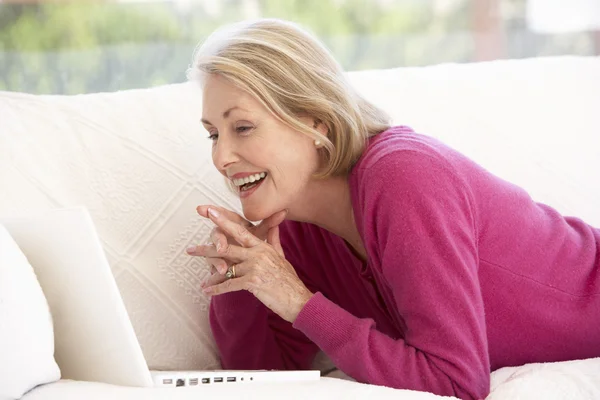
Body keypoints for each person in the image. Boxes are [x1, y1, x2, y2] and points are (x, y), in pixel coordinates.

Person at [184, 18, 600, 399]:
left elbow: (455, 381)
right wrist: (241, 283)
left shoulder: (403, 175)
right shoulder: (292, 231)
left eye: (242, 128)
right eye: (213, 135)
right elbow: (264, 378)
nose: (222, 158)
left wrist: (298, 301)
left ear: (314, 121)